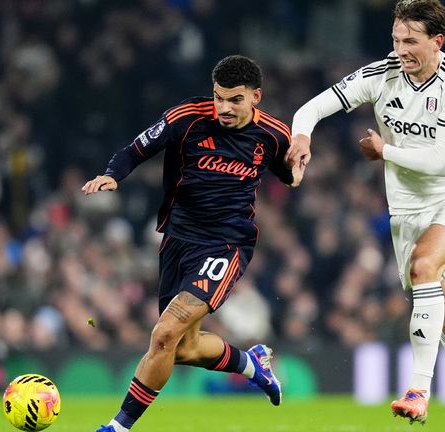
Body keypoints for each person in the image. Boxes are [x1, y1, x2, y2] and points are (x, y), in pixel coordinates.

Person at [287, 1, 445, 430]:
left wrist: (384, 151)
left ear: (437, 41)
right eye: (395, 39)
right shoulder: (382, 74)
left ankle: (418, 391)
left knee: (424, 265)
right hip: (408, 209)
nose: (400, 49)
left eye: (410, 41)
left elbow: (440, 163)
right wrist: (302, 137)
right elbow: (312, 108)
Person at [83, 55, 303, 432]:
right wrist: (112, 175)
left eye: (235, 99)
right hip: (177, 240)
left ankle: (117, 428)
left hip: (225, 245)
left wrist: (298, 170)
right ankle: (252, 364)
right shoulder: (186, 118)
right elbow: (135, 149)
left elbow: (290, 175)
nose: (224, 108)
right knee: (183, 348)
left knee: (164, 333)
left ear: (256, 97)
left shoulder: (273, 134)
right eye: (219, 97)